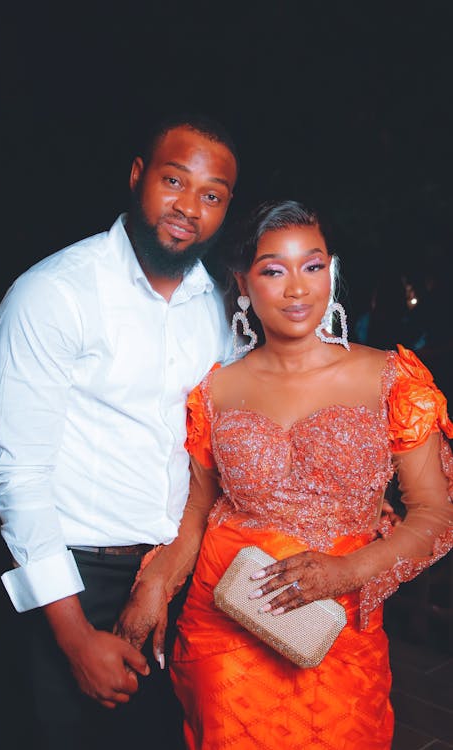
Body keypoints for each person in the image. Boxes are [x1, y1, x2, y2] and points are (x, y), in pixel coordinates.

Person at [126, 199, 453, 749]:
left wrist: (349, 571)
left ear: (332, 272)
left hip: (335, 626)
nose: (297, 289)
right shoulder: (215, 391)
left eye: (314, 266)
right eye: (274, 270)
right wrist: (155, 584)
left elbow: (435, 514)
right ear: (244, 283)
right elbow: (198, 510)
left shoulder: (391, 379)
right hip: (224, 620)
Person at [0, 114, 239, 749]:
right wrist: (73, 636)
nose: (189, 208)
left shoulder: (216, 306)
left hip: (178, 578)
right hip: (78, 585)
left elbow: (237, 433)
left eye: (211, 195)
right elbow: (17, 473)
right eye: (174, 181)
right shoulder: (53, 294)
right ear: (137, 176)